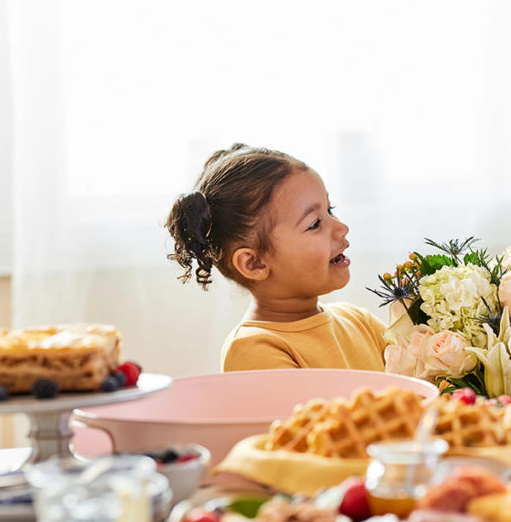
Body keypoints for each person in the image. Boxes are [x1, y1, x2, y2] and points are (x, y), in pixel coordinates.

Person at [165, 144, 389, 372]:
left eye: (330, 210)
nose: (342, 227)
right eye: (314, 224)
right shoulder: (254, 347)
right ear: (254, 263)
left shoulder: (360, 322)